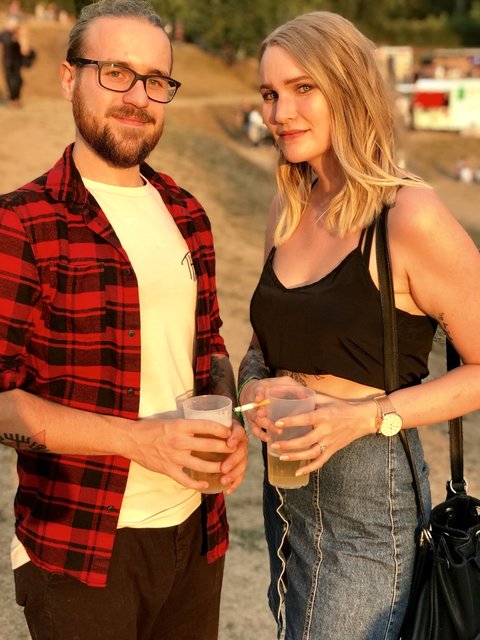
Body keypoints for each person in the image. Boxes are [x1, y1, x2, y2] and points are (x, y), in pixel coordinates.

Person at [0, 1, 248, 638]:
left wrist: (227, 420)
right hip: (80, 550)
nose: (138, 97)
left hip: (196, 535)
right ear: (68, 77)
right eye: (116, 72)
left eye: (155, 80)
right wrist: (138, 441)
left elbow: (209, 345)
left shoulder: (187, 213)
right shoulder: (20, 223)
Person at [237, 11, 480, 640]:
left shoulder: (408, 214)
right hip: (285, 497)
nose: (280, 111)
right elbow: (262, 346)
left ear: (349, 88)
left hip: (370, 506)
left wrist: (364, 417)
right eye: (269, 93)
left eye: (302, 88)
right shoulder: (288, 206)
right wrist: (252, 385)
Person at [0, 15, 32, 107]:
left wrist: (22, 39)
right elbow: (6, 41)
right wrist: (14, 38)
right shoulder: (6, 33)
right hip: (8, 61)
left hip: (17, 61)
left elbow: (26, 50)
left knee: (18, 81)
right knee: (11, 81)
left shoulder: (20, 35)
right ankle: (12, 99)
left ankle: (16, 99)